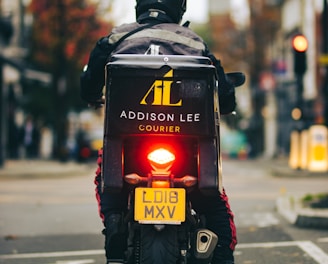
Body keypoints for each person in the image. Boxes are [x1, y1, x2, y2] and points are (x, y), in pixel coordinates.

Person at [80, 1, 237, 263]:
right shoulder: (194, 43)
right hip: (186, 150)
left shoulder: (116, 38)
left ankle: (116, 224)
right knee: (213, 205)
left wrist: (91, 95)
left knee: (106, 180)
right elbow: (224, 92)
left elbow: (89, 83)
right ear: (180, 9)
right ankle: (221, 255)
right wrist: (228, 102)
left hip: (130, 148)